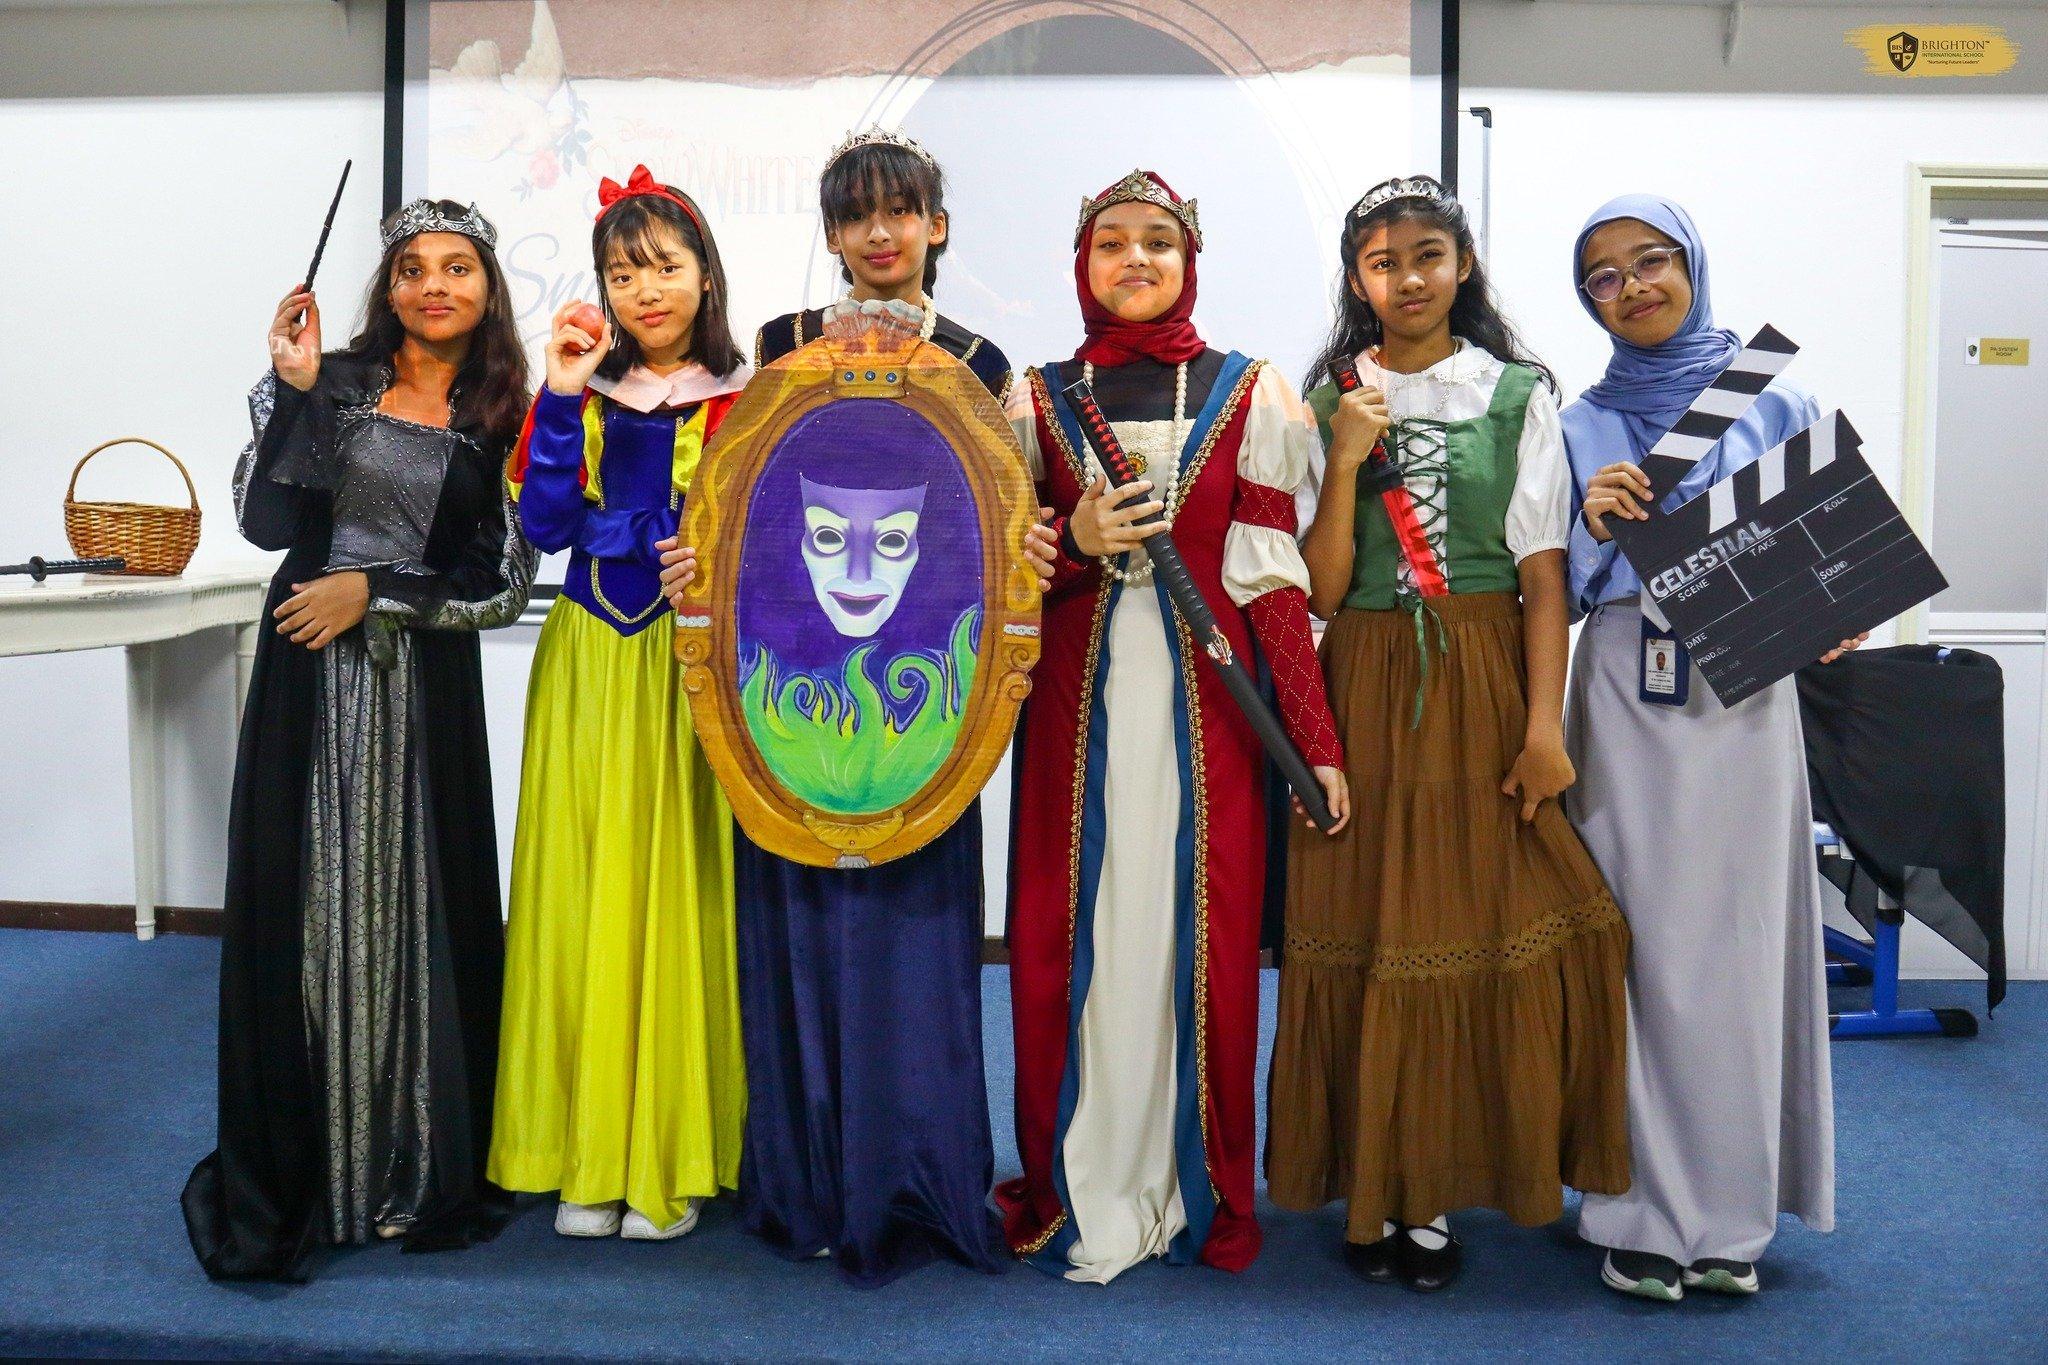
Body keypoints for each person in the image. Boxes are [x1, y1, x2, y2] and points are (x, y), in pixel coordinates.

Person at [658, 129, 1054, 1286]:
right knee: (799, 944)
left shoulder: (985, 364)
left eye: (900, 210)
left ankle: (912, 1184)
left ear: (936, 224)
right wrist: (695, 560)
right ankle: (808, 1183)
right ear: (832, 233)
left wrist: (1029, 550)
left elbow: (1002, 521)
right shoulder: (779, 348)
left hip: (925, 710)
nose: (880, 233)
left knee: (914, 955)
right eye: (856, 215)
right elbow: (742, 506)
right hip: (791, 696)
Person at [1266, 175, 1631, 1294]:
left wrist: (1542, 727)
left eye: (1427, 255)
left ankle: (1439, 1186)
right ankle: (1377, 1191)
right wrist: (1343, 458)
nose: (1408, 279)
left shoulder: (1517, 395)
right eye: (1383, 263)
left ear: (1461, 265)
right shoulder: (1327, 399)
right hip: (1361, 683)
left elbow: (1542, 575)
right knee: (1367, 928)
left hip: (1479, 680)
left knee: (1488, 923)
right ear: (1356, 280)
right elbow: (1323, 589)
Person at [999, 169, 1346, 1284]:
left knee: (1203, 938)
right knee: (1074, 937)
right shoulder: (1031, 400)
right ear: (1082, 263)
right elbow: (999, 578)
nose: (1135, 259)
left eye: (1158, 240)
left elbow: (1274, 585)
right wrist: (1070, 540)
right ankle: (1075, 1174)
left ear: (1190, 259)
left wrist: (1315, 743)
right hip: (1073, 715)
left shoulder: (1252, 393)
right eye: (1112, 242)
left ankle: (1195, 1182)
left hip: (1212, 718)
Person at [183, 199, 535, 1281]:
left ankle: (409, 1160)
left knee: (415, 911)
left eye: (458, 267)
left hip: (422, 691)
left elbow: (501, 580)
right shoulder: (329, 382)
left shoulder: (507, 412)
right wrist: (291, 393)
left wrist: (372, 590)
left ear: (488, 288)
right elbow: (266, 525)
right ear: (388, 289)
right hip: (307, 681)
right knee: (308, 907)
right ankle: (311, 1167)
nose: (434, 285)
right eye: (412, 268)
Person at [1563, 194, 1855, 1301]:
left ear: (1690, 264)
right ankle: (1635, 1210)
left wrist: (1834, 610)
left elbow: (1837, 551)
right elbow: (1562, 587)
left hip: (1744, 690)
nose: (1631, 286)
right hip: (1626, 693)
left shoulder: (1774, 396)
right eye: (1603, 276)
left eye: (1651, 261)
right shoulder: (1580, 422)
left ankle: (1733, 1216)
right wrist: (1589, 523)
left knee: (1740, 944)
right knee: (1634, 947)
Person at [489, 168, 749, 1242]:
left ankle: (667, 1155)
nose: (645, 289)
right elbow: (545, 526)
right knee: (582, 885)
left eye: (664, 267)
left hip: (693, 666)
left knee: (679, 887)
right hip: (591, 656)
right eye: (622, 271)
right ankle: (583, 1152)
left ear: (704, 275)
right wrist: (558, 392)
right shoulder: (582, 394)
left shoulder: (749, 395)